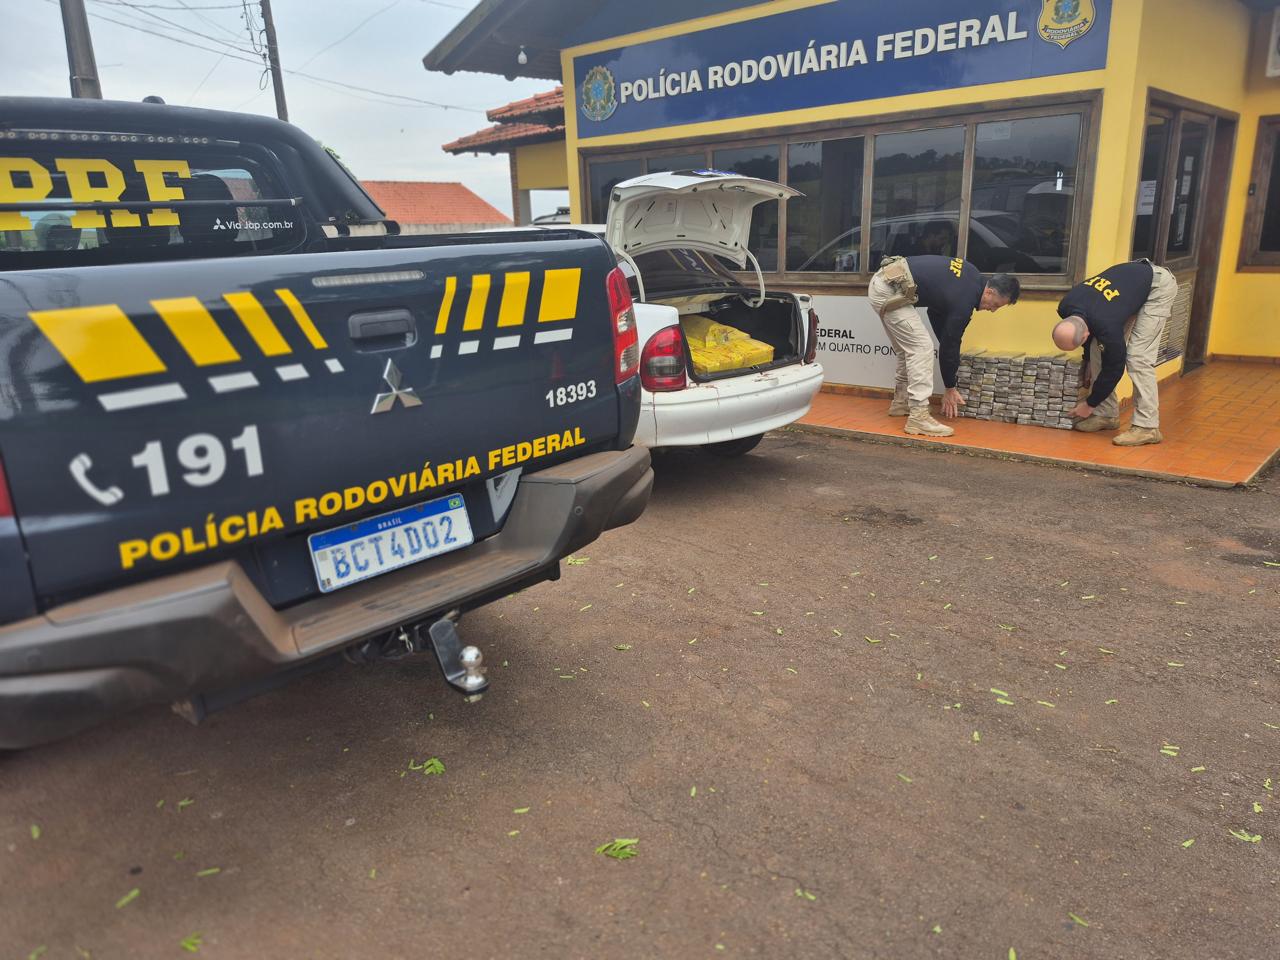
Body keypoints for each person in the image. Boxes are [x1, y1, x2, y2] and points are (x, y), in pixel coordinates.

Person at [868, 254, 1020, 437]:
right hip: (889, 288)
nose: (992, 310)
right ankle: (918, 417)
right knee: (921, 347)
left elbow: (935, 312)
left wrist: (947, 345)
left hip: (886, 280)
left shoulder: (971, 274)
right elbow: (950, 343)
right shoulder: (965, 301)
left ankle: (902, 402)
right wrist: (950, 387)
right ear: (989, 292)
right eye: (995, 304)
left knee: (908, 349)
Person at [1052, 259, 1177, 446]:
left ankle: (1148, 428)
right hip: (1128, 287)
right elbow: (1092, 337)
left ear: (1085, 335)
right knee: (1097, 348)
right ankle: (1106, 415)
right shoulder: (1066, 306)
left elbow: (1115, 367)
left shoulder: (1106, 326)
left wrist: (1090, 403)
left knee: (1138, 357)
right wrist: (1087, 359)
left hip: (1157, 286)